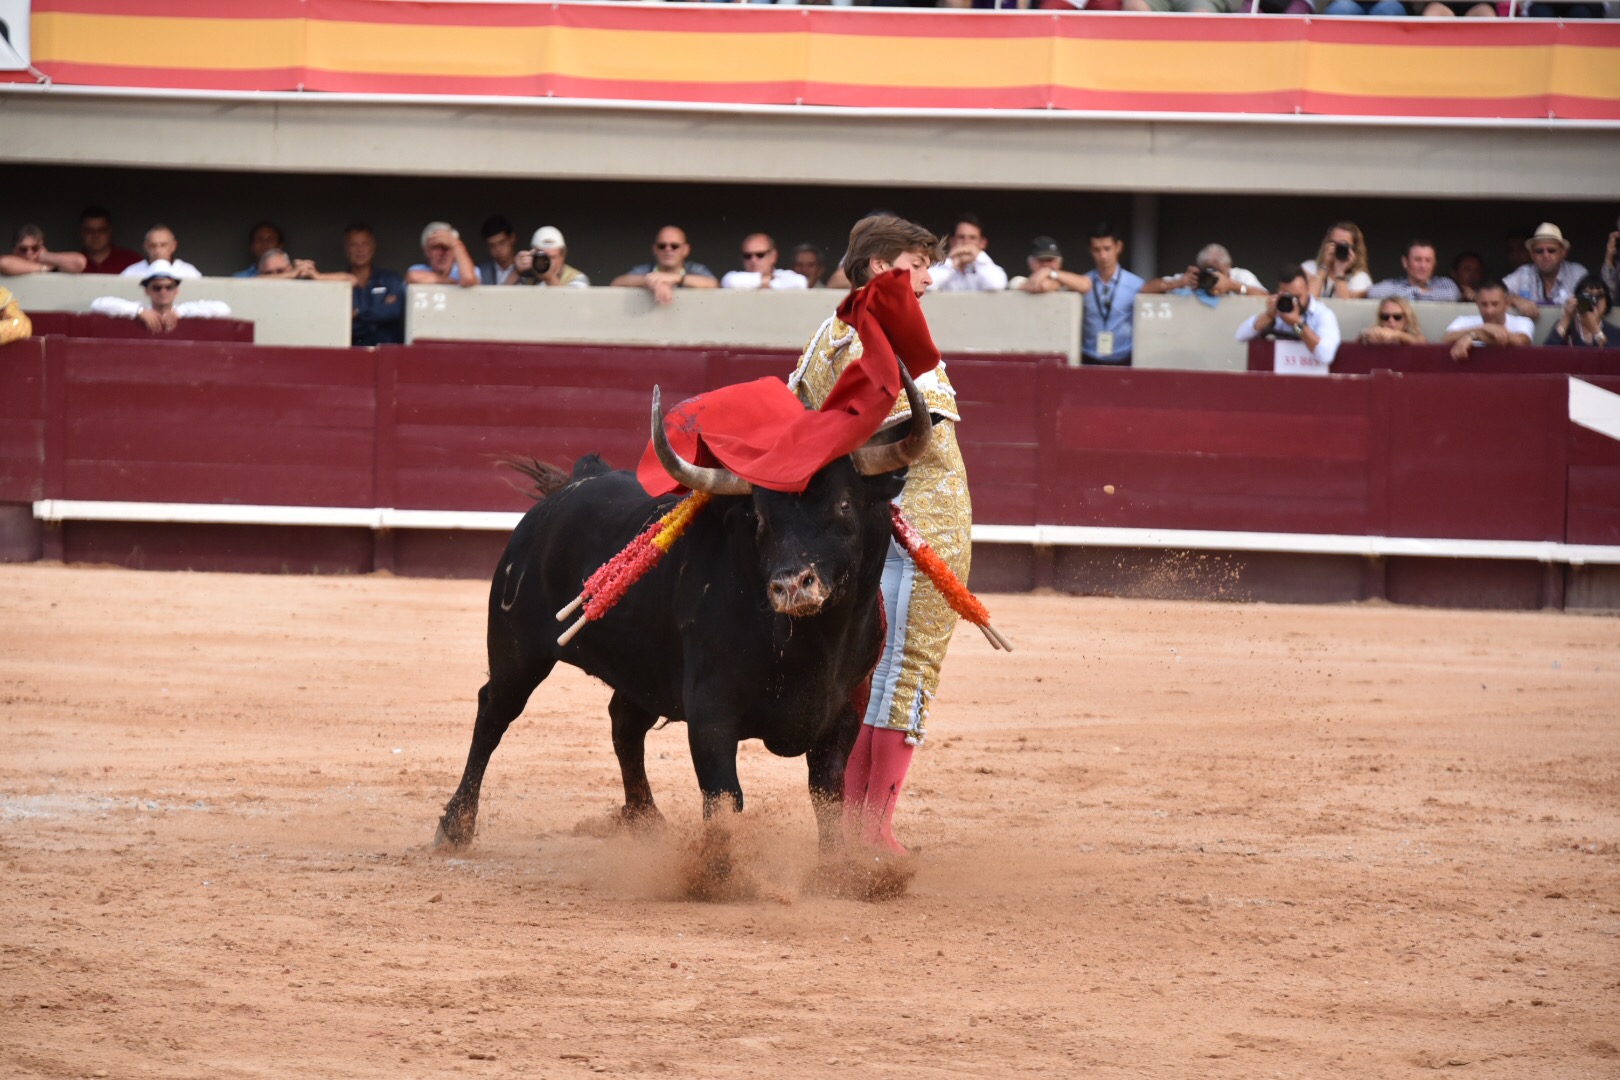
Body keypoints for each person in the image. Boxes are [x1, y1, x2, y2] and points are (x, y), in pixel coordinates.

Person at [786, 214, 970, 857]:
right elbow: (898, 437)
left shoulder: (829, 330)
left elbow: (799, 411)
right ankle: (873, 829)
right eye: (917, 265)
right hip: (913, 519)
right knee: (903, 667)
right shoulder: (877, 334)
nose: (928, 280)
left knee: (867, 670)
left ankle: (856, 826)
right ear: (878, 269)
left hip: (858, 527)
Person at [1235, 265, 1342, 368]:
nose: (1294, 302)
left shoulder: (1322, 314)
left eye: (1297, 296)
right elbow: (1240, 336)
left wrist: (1298, 324)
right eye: (1289, 296)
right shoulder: (1279, 310)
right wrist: (1268, 316)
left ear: (1307, 288)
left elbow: (1326, 356)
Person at [90, 260, 231, 332]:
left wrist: (181, 312)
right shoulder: (140, 309)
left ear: (176, 291)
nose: (163, 292)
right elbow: (97, 304)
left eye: (169, 287)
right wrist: (138, 311)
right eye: (157, 287)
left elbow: (223, 309)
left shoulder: (183, 311)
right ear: (147, 291)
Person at [611, 226, 718, 305]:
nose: (668, 249)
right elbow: (617, 282)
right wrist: (655, 281)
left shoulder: (694, 269)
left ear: (685, 250)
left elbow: (713, 283)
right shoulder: (645, 269)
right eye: (662, 246)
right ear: (655, 249)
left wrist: (676, 278)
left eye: (674, 246)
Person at [1503, 223, 1588, 319]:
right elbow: (1495, 293)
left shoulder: (1577, 273)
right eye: (1539, 251)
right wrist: (1515, 299)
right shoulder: (1523, 273)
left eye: (1551, 250)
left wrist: (1577, 305)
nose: (1545, 256)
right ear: (1532, 254)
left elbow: (1592, 306)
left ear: (1563, 253)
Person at [343, 224, 406, 347]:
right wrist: (378, 315)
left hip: (388, 354)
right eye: (353, 245)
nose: (360, 250)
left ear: (373, 246)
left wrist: (357, 313)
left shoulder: (390, 278)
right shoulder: (339, 284)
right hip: (353, 354)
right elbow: (341, 324)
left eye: (365, 244)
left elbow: (393, 311)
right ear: (346, 249)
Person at [1442, 281, 1535, 362]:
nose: (1489, 310)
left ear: (1506, 304)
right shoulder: (1463, 320)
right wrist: (1485, 328)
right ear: (1477, 304)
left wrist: (1474, 335)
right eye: (1484, 304)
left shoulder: (1522, 321)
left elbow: (1521, 342)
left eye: (1495, 304)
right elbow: (1446, 339)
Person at [1141, 243, 1264, 299]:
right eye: (1207, 270)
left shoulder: (1240, 276)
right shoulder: (1193, 279)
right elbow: (1145, 290)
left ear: (1228, 267)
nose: (1212, 277)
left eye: (1218, 271)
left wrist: (1233, 286)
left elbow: (1265, 297)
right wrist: (1178, 283)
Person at [928, 213, 1007, 293]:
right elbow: (927, 285)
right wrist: (951, 262)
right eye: (961, 237)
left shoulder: (988, 268)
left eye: (972, 238)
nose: (966, 242)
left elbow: (996, 285)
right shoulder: (940, 268)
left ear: (983, 243)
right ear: (952, 241)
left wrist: (978, 256)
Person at [1366, 240, 1461, 303]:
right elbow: (1374, 292)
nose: (1423, 266)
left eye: (1428, 260)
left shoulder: (1443, 283)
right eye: (1417, 259)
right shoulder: (1394, 284)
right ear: (1405, 262)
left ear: (1434, 264)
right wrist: (1417, 291)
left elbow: (1453, 295)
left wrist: (1404, 295)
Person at [1302, 222, 1372, 300]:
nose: (1336, 249)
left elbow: (1345, 308)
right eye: (1333, 243)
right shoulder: (1309, 267)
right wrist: (1324, 267)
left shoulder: (1360, 277)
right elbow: (1308, 301)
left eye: (1343, 245)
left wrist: (1340, 272)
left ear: (1354, 250)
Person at [1544, 274, 1616, 349]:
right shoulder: (1566, 326)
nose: (1594, 300)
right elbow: (1546, 355)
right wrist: (1567, 318)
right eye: (1588, 296)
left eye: (1599, 296)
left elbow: (1613, 358)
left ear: (1607, 302)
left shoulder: (1614, 333)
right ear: (1577, 298)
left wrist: (1595, 329)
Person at [721, 233, 808, 290]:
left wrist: (763, 283)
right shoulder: (735, 276)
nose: (753, 260)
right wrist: (769, 280)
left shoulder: (784, 275)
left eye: (760, 255)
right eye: (747, 256)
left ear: (773, 256)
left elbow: (800, 282)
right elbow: (730, 281)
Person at [406, 222, 479, 287]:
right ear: (426, 251)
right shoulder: (419, 269)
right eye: (436, 247)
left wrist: (455, 243)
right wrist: (454, 282)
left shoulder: (466, 270)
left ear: (455, 252)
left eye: (447, 247)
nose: (442, 253)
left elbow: (468, 278)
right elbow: (413, 277)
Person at [515, 226, 589, 288]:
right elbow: (506, 302)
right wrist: (516, 271)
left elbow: (571, 304)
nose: (546, 261)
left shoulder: (577, 278)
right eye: (542, 257)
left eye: (552, 257)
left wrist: (550, 278)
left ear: (562, 257)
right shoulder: (526, 278)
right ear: (532, 255)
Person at [121, 225, 202, 281]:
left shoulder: (189, 272)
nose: (158, 250)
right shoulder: (131, 272)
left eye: (163, 245)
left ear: (173, 246)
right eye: (153, 245)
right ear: (145, 246)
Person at [78, 207, 141, 275]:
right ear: (81, 232)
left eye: (101, 230)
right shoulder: (72, 263)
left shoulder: (132, 260)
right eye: (89, 231)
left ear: (110, 231)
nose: (95, 235)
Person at [0, 225, 87, 275]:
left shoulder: (52, 264)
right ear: (14, 250)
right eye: (23, 249)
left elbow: (79, 262)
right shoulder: (11, 263)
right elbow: (3, 263)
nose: (29, 252)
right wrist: (44, 268)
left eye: (35, 248)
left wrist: (45, 256)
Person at [253, 248, 355, 282]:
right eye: (269, 273)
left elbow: (352, 279)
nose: (275, 275)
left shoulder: (301, 279)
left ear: (290, 267)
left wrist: (318, 276)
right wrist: (291, 274)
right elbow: (255, 280)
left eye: (280, 271)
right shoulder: (257, 281)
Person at [1358, 296, 1426, 345]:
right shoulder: (1374, 335)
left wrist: (1398, 335)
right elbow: (1354, 348)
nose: (1390, 320)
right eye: (1385, 317)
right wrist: (1364, 334)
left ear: (1407, 318)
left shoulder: (1416, 336)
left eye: (1397, 317)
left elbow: (1422, 344)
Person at [476, 215, 522, 286]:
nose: (498, 249)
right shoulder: (480, 272)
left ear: (512, 238)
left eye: (502, 242)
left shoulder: (528, 269)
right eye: (492, 245)